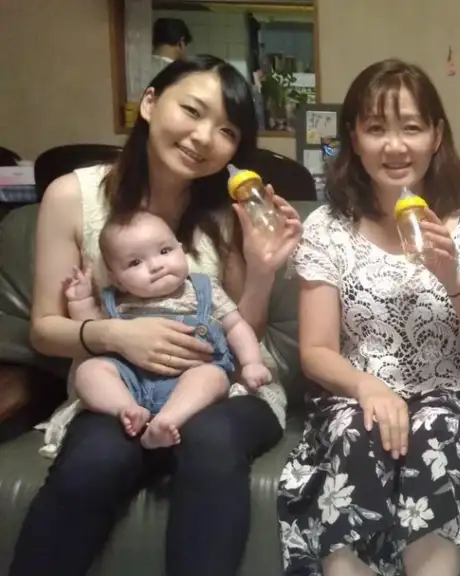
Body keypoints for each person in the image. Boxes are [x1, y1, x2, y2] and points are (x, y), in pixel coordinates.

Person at [9, 55, 301, 576]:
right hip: (122, 389)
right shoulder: (72, 195)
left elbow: (243, 337)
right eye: (192, 110)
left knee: (211, 443)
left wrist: (261, 269)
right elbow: (46, 330)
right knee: (99, 459)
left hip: (223, 389)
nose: (204, 136)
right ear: (149, 102)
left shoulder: (228, 213)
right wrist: (119, 337)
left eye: (227, 130)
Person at [277, 59, 460, 576]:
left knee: (435, 430)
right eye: (376, 128)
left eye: (411, 127)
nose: (395, 146)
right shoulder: (329, 227)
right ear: (354, 140)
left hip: (453, 395)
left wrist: (453, 277)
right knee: (352, 434)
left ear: (436, 136)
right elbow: (316, 350)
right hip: (354, 393)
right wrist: (368, 387)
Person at [64, 211, 273, 448]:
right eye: (135, 262)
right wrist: (80, 303)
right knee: (90, 370)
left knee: (213, 377)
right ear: (117, 279)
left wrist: (252, 362)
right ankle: (127, 410)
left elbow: (236, 326)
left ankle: (166, 422)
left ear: (181, 249)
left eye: (165, 251)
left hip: (190, 375)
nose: (156, 266)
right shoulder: (118, 301)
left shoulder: (204, 289)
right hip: (132, 380)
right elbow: (93, 332)